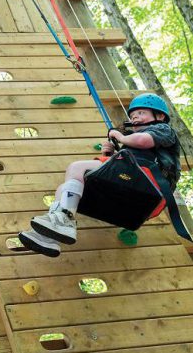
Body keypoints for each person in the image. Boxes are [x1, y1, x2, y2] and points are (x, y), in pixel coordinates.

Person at [18, 93, 181, 257]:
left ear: (159, 116)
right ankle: (48, 236)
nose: (135, 118)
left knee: (76, 168)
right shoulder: (134, 138)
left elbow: (143, 141)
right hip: (132, 193)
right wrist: (111, 154)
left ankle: (63, 219)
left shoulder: (163, 129)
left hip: (148, 181)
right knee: (66, 188)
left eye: (141, 113)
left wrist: (121, 137)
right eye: (132, 116)